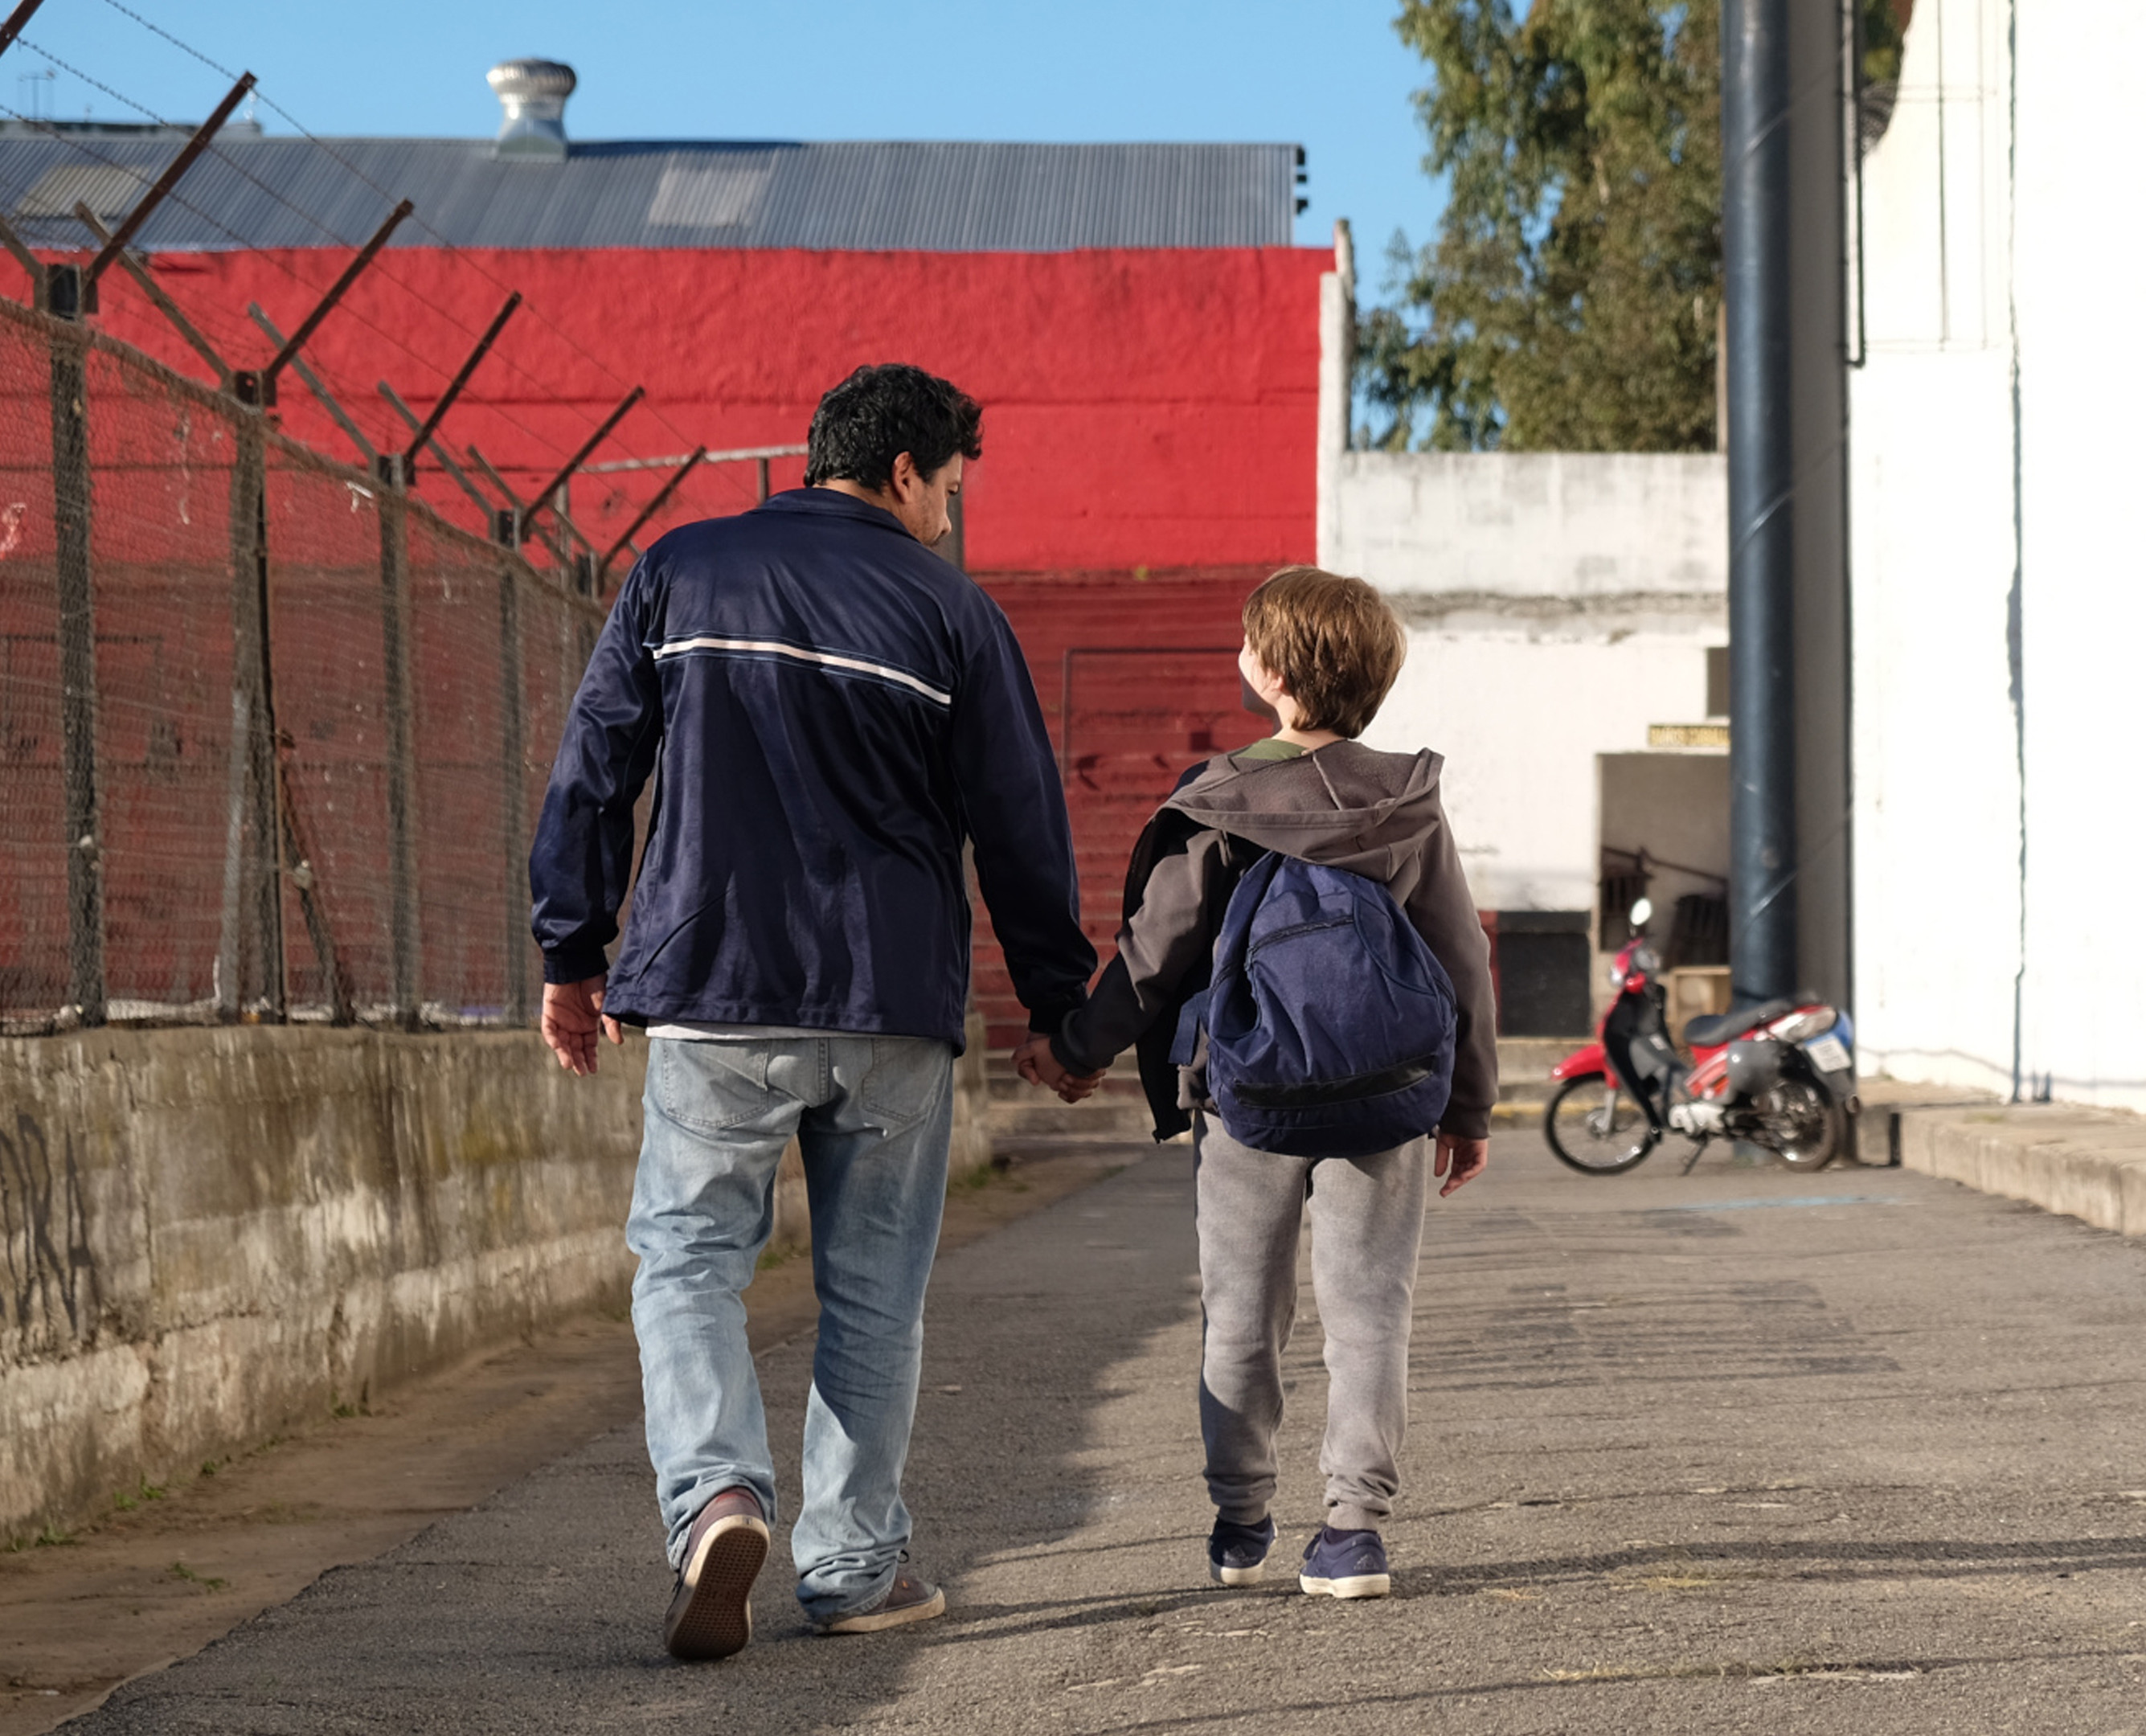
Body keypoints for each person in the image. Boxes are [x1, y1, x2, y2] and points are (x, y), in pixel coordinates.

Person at [528, 363, 1096, 1661]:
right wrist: (1060, 1012)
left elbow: (594, 768)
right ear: (904, 472)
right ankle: (851, 1569)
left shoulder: (681, 570)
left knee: (689, 1264)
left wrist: (572, 951)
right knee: (874, 1297)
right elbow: (1021, 826)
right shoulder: (956, 613)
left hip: (714, 989)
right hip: (891, 1004)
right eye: (950, 488)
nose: (950, 514)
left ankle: (718, 1501)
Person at [1042, 566, 1495, 1600]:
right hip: (1386, 1092)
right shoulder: (1406, 803)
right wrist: (1467, 1106)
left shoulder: (1222, 800)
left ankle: (1241, 1519)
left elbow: (1153, 956)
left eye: (1250, 644)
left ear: (1272, 675)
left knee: (1242, 1315)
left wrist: (1075, 1050)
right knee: (1370, 1312)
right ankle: (1352, 1533)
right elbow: (1461, 957)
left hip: (1245, 1098)